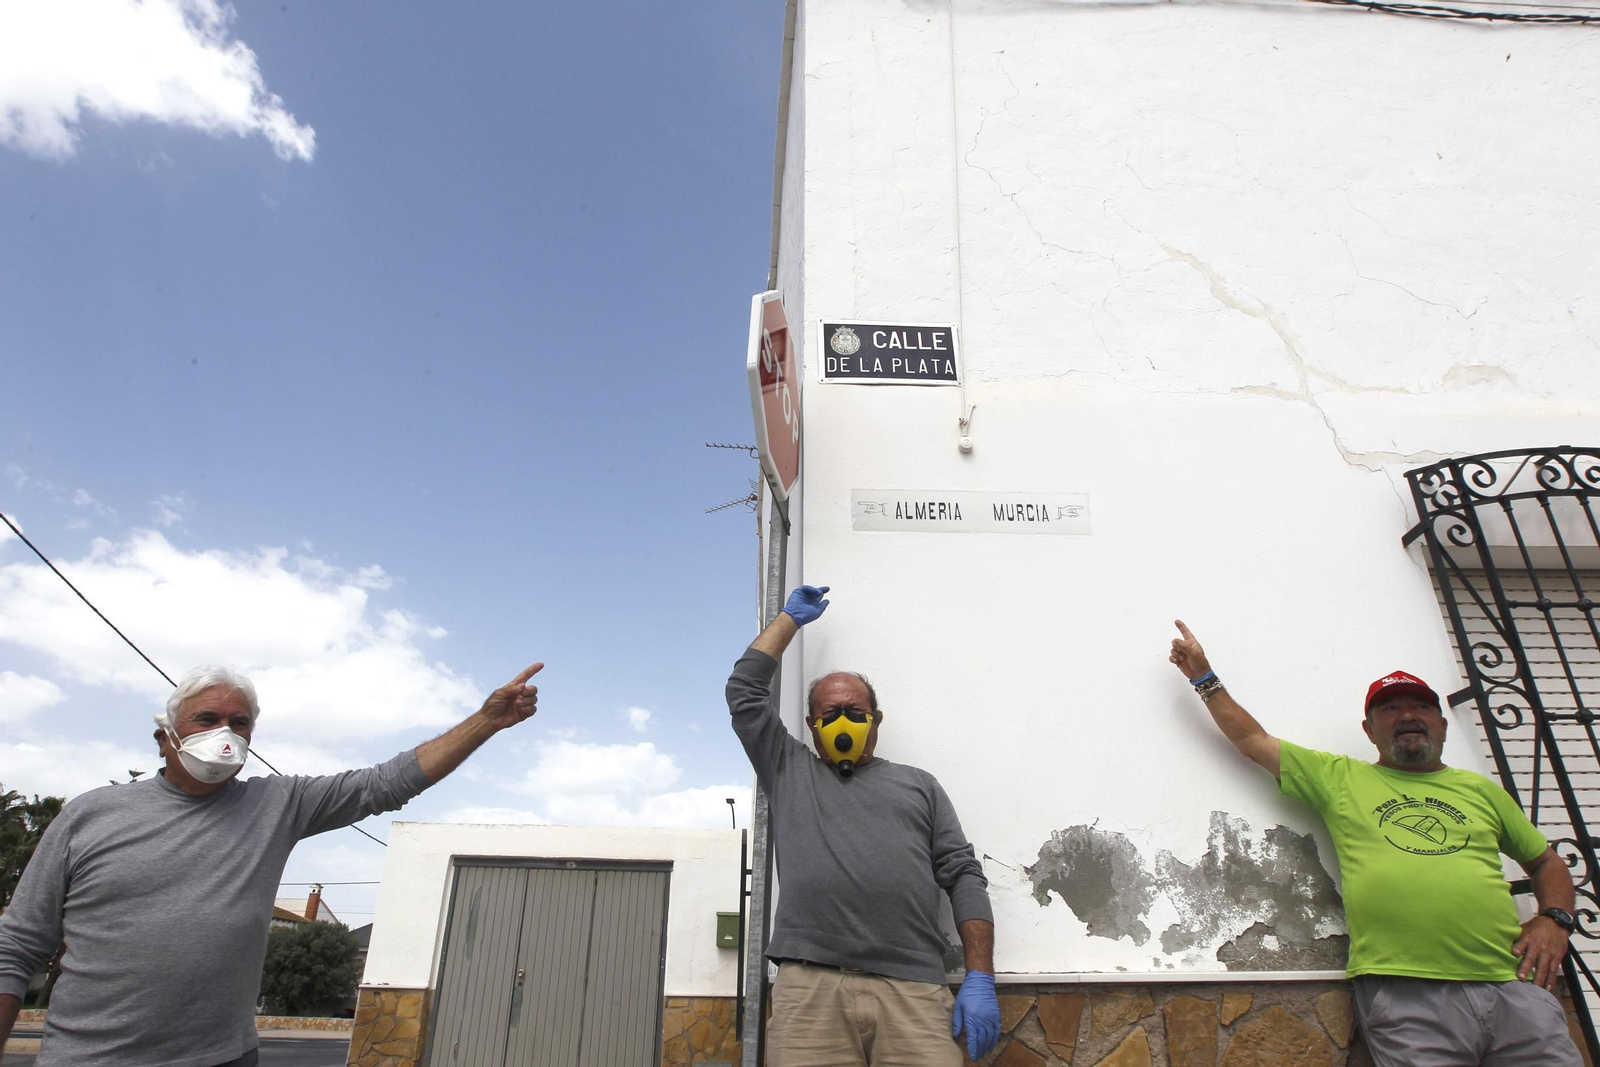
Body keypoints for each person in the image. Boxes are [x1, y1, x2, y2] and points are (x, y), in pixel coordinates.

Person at [0, 660, 545, 1067]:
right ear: (166, 735)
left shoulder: (277, 805)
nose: (225, 734)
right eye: (206, 718)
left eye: (239, 723)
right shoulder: (89, 815)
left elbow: (388, 782)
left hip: (223, 1058)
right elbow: (18, 945)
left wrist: (484, 722)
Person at [1168, 619, 1581, 1066]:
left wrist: (1555, 919)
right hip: (1407, 996)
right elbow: (1253, 740)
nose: (1407, 715)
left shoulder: (1480, 791)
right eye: (1390, 709)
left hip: (1513, 987)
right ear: (1369, 729)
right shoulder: (1342, 779)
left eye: (1421, 706)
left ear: (1441, 724)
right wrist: (1203, 678)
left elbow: (1546, 863)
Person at [726, 585, 1001, 1065]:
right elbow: (744, 693)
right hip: (810, 992)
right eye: (830, 714)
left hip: (912, 989)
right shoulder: (790, 769)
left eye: (856, 711)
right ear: (811, 726)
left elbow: (963, 875)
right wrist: (788, 619)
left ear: (876, 719)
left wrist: (980, 976)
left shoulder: (920, 786)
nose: (844, 722)